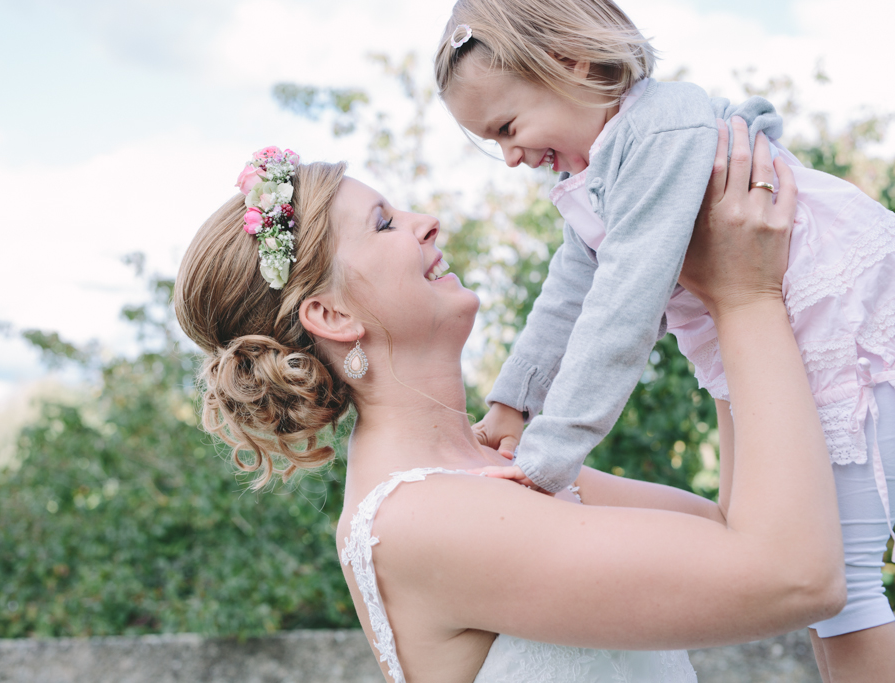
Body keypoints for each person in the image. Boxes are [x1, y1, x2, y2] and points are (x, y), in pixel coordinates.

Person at [173, 124, 844, 681]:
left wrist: (701, 298)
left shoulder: (492, 466)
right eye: (384, 224)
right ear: (332, 314)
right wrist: (748, 297)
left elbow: (750, 526)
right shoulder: (420, 518)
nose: (426, 222)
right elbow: (796, 578)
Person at [434, 1, 895, 678]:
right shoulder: (599, 169)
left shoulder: (659, 131)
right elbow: (569, 294)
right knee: (806, 574)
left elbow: (623, 306)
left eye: (507, 126)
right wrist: (512, 405)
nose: (509, 157)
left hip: (839, 325)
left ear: (571, 63)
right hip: (773, 350)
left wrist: (549, 455)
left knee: (840, 579)